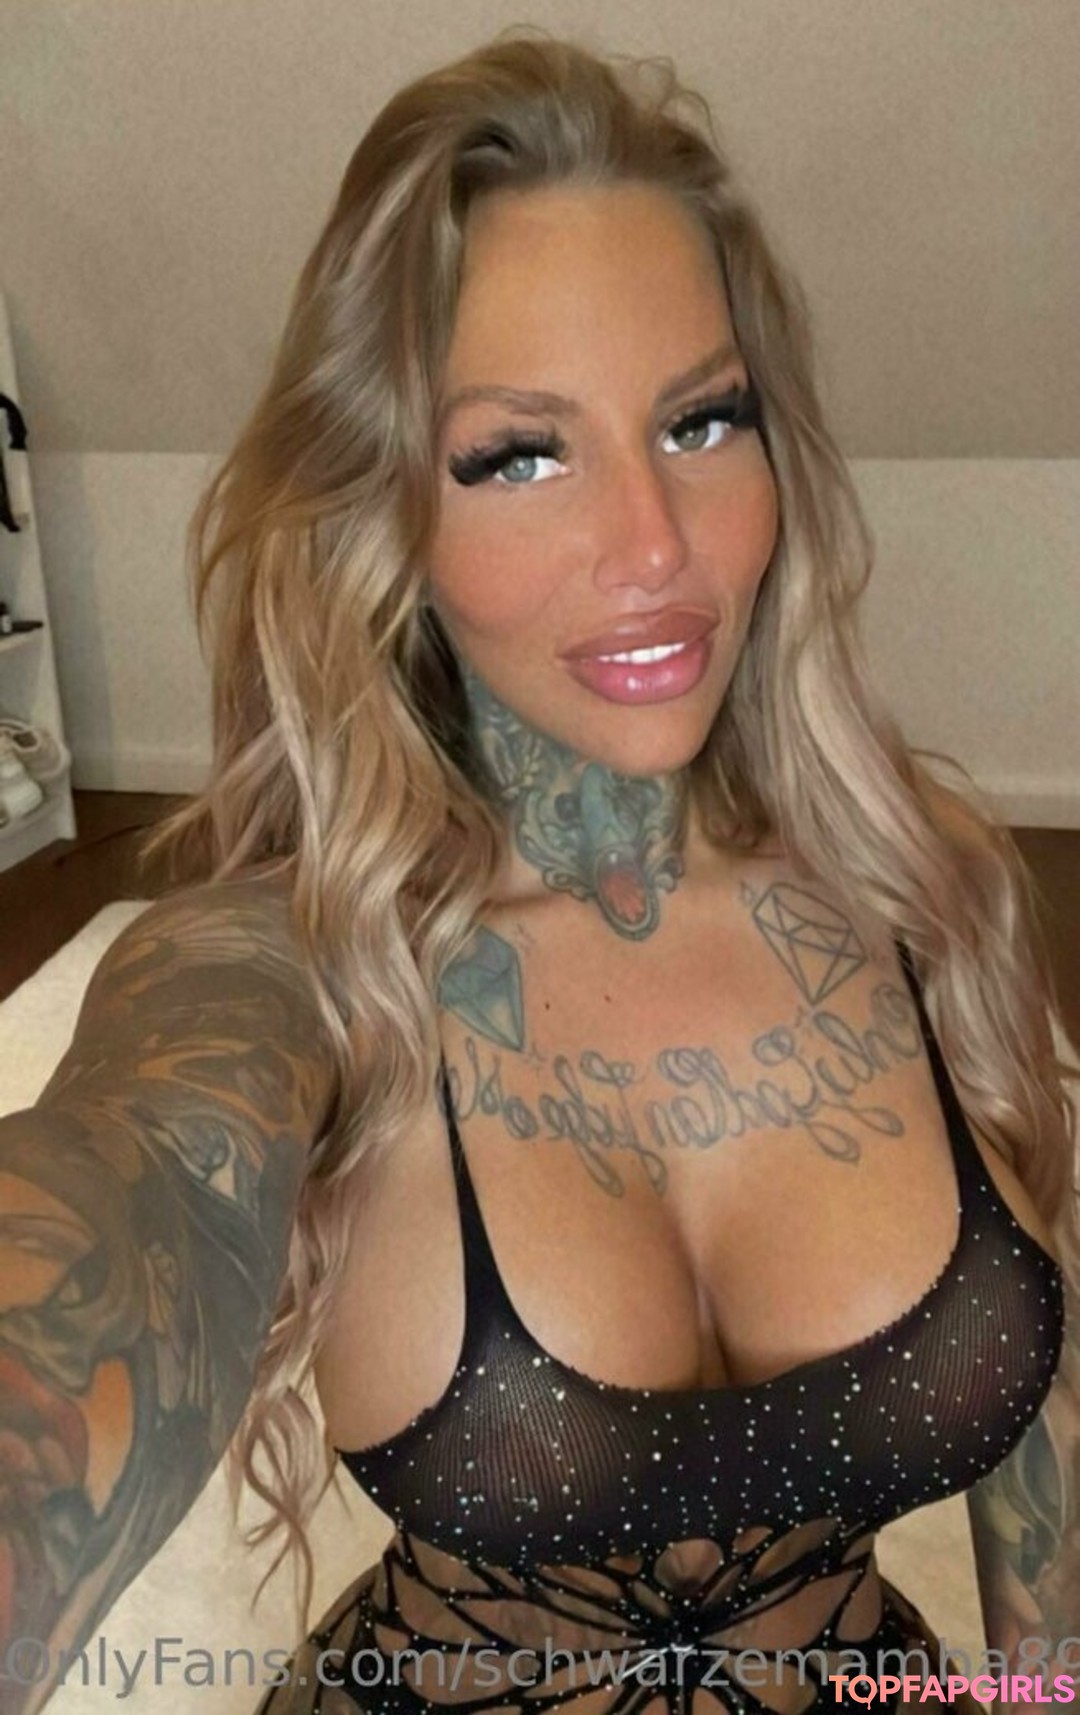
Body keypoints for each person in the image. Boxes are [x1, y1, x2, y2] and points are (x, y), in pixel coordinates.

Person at [1, 31, 1077, 1715]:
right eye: (522, 453)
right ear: (380, 505)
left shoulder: (913, 885)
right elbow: (105, 1226)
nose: (656, 547)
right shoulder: (280, 971)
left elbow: (1047, 1488)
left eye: (702, 421)